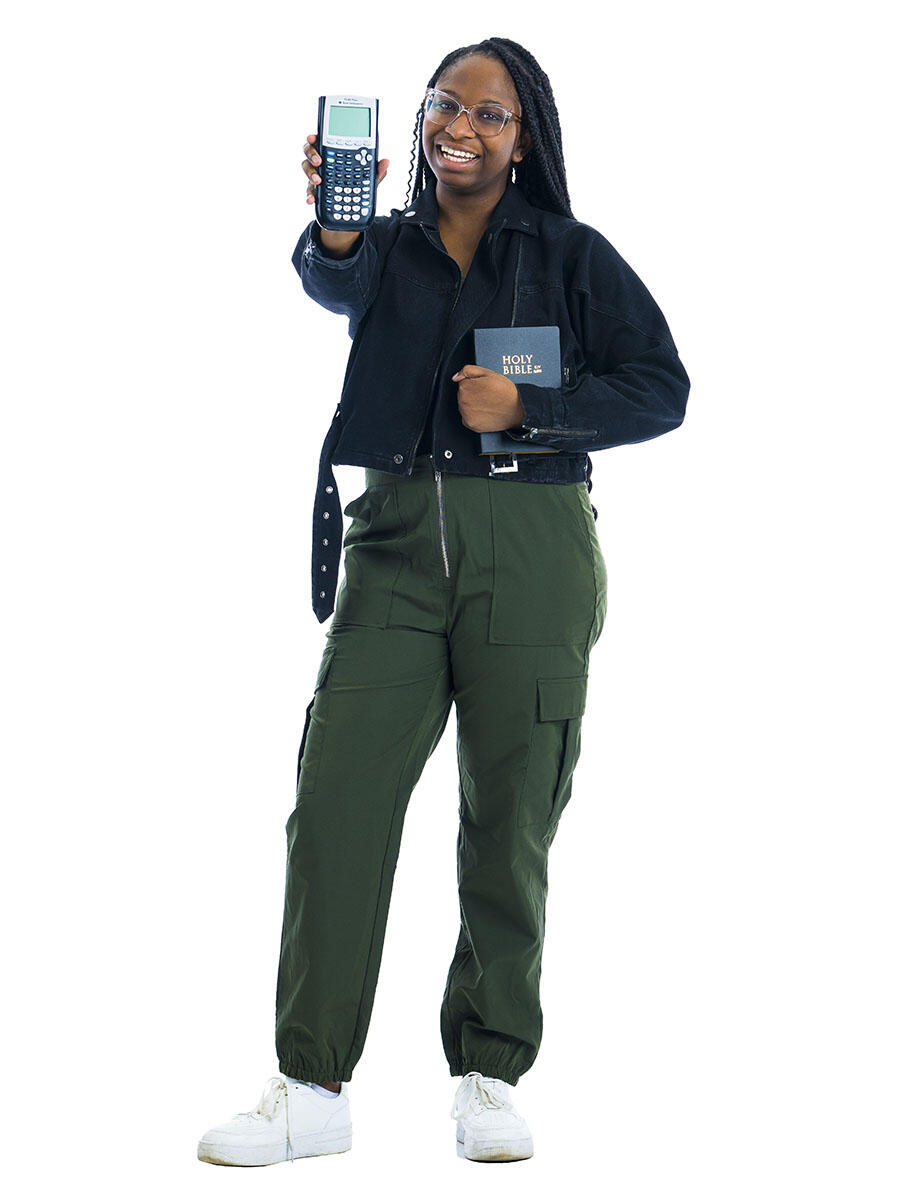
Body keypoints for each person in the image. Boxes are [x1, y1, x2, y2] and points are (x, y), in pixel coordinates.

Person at [198, 36, 690, 1167]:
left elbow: (660, 386)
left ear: (527, 141)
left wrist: (529, 404)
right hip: (396, 547)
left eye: (490, 113)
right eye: (442, 105)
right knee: (335, 806)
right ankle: (313, 1081)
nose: (458, 125)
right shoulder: (389, 246)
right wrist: (334, 216)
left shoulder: (571, 254)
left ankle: (488, 1071)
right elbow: (330, 277)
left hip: (534, 545)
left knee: (511, 818)